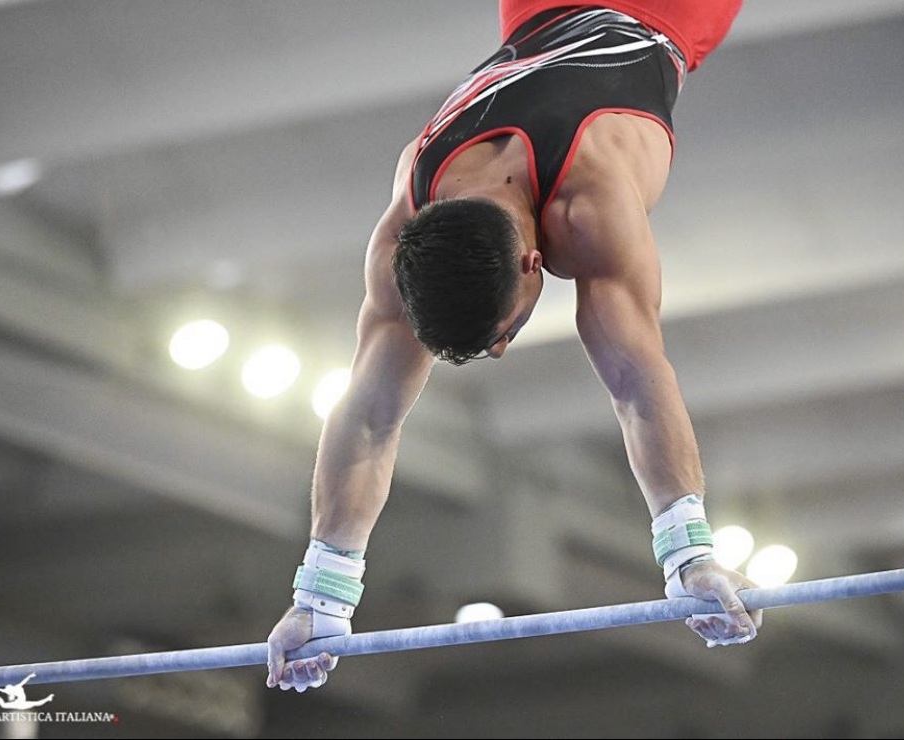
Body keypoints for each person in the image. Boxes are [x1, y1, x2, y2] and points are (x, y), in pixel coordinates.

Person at [267, 0, 761, 693]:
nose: (503, 350)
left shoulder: (587, 207)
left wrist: (689, 554)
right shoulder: (410, 221)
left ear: (536, 264)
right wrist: (321, 596)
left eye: (502, 332)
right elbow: (369, 416)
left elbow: (636, 384)